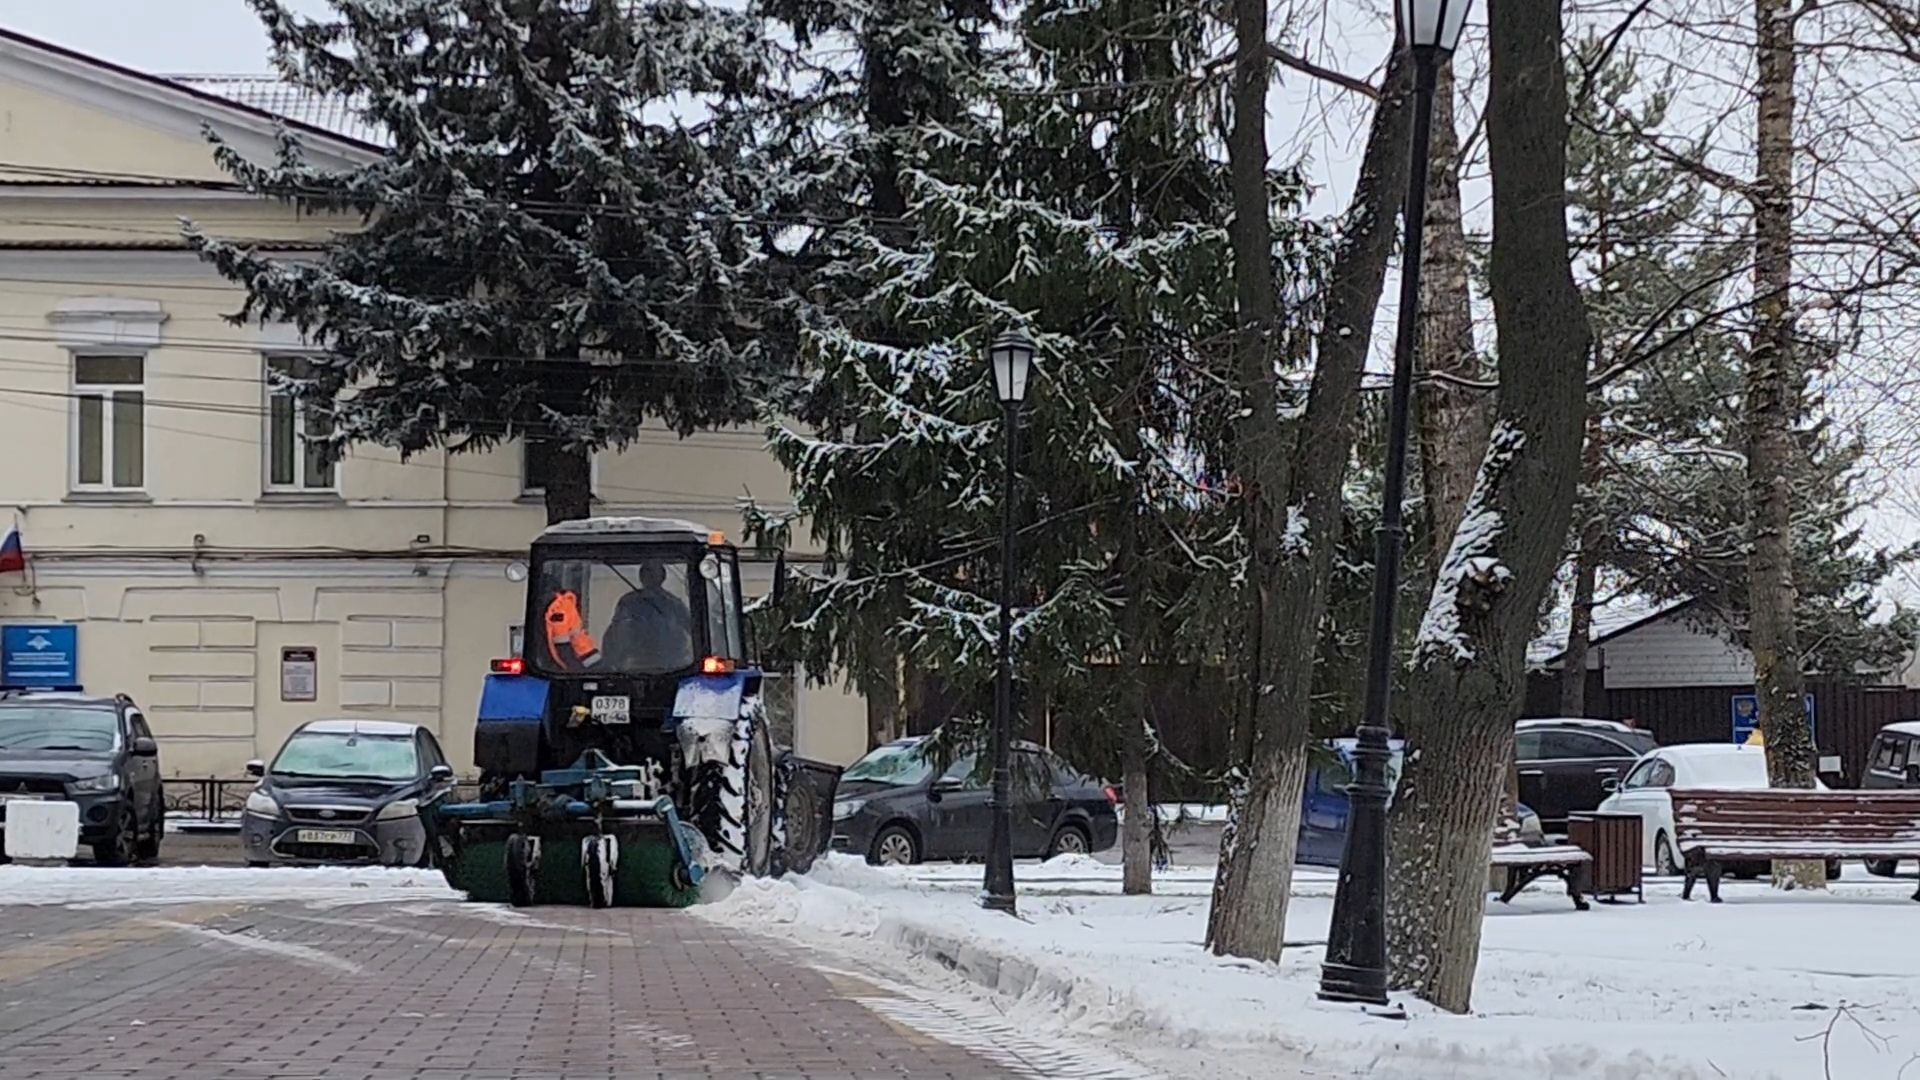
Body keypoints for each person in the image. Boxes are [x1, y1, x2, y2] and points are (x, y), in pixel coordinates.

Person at [600, 560, 694, 671]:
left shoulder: (673, 604)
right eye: (646, 572)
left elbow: (691, 629)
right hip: (635, 664)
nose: (650, 576)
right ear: (641, 576)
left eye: (653, 573)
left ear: (662, 576)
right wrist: (612, 662)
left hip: (670, 665)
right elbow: (617, 631)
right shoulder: (628, 602)